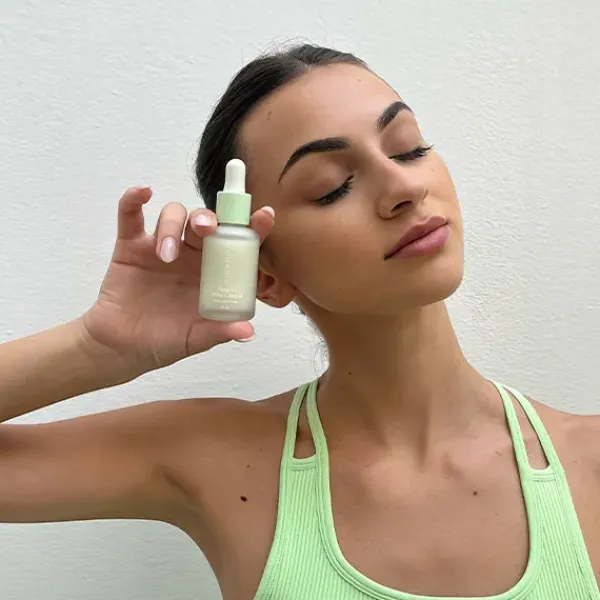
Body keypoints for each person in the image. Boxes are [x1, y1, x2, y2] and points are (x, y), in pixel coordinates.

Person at [1, 43, 599, 600]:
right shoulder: (221, 458)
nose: (403, 186)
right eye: (332, 187)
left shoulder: (590, 459)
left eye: (409, 148)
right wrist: (99, 346)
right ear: (264, 275)